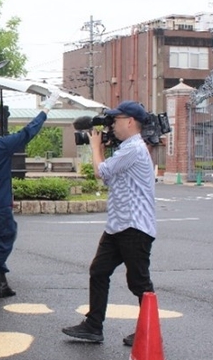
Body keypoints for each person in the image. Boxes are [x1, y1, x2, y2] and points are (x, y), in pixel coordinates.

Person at [62, 101, 156, 346]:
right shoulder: (127, 148)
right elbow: (103, 174)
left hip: (135, 227)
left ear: (130, 121)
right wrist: (99, 150)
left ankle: (149, 332)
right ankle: (93, 326)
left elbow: (101, 171)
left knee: (139, 283)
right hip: (118, 225)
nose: (112, 125)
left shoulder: (133, 148)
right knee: (99, 271)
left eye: (115, 120)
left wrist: (95, 146)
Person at [0, 90, 60, 297]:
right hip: (0, 206)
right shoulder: (4, 146)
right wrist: (47, 107)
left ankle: (3, 285)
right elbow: (30, 130)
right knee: (6, 239)